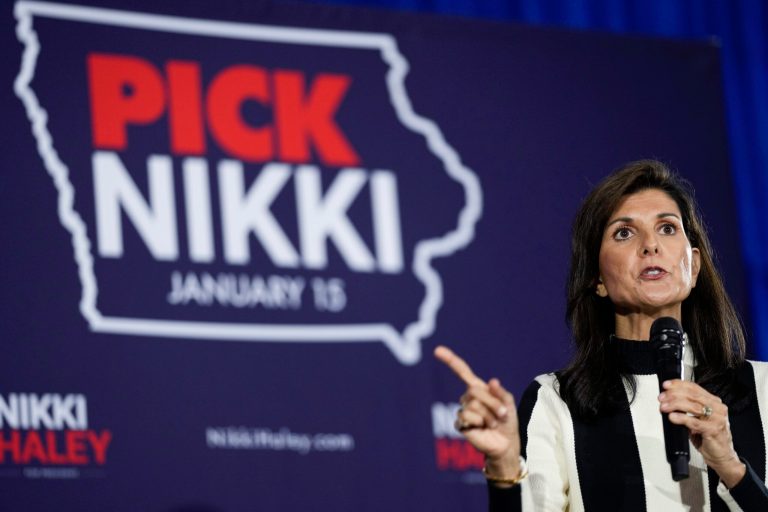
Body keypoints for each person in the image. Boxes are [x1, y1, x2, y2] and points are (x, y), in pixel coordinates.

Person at [435, 160, 768, 511]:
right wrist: (504, 467)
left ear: (694, 265)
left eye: (667, 228)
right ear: (597, 279)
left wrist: (731, 467)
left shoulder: (761, 388)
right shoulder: (556, 401)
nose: (651, 245)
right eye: (624, 233)